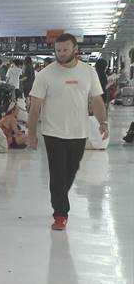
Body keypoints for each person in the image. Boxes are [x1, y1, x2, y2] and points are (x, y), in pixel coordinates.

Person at [27, 33, 107, 231]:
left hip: (78, 132)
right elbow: (35, 106)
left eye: (65, 50)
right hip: (53, 132)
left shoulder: (88, 72)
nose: (61, 54)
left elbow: (96, 100)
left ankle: (61, 199)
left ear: (74, 49)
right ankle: (60, 213)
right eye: (58, 50)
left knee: (70, 172)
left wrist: (102, 121)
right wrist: (31, 133)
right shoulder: (45, 74)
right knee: (57, 174)